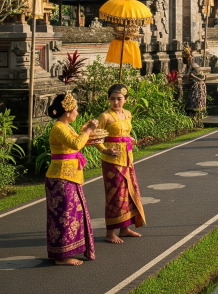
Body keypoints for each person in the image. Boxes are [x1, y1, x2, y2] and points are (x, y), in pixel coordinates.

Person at [44, 93, 101, 265]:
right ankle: (62, 256)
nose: (77, 112)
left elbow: (77, 142)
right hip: (60, 178)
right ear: (68, 111)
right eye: (76, 109)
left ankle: (69, 252)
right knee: (64, 217)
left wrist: (90, 134)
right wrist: (88, 130)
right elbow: (76, 144)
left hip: (69, 177)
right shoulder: (58, 128)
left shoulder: (67, 127)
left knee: (73, 216)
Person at [95, 84, 146, 244]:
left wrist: (136, 142)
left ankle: (124, 229)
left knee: (128, 194)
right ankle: (110, 233)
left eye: (119, 99)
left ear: (126, 99)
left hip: (127, 160)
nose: (115, 102)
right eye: (112, 99)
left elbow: (126, 136)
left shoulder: (128, 114)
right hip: (112, 162)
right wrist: (105, 150)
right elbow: (95, 138)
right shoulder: (105, 117)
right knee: (115, 196)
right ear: (108, 99)